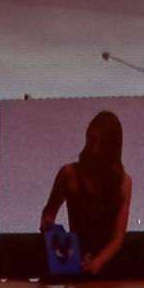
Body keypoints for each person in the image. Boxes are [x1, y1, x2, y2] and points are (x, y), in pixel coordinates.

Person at [40, 111, 132, 276]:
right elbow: (49, 213)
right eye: (91, 142)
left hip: (110, 265)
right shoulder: (69, 174)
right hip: (75, 262)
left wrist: (99, 261)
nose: (94, 150)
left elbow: (118, 238)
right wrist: (50, 230)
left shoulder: (123, 183)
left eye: (101, 145)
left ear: (112, 148)